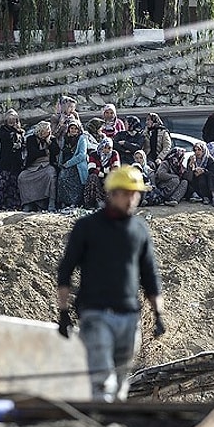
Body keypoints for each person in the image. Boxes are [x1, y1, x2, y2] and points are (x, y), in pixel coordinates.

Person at [56, 165, 166, 402]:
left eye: (134, 194)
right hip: (95, 313)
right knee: (101, 379)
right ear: (111, 193)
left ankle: (113, 425)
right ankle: (99, 426)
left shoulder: (139, 230)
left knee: (120, 381)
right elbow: (65, 270)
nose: (131, 199)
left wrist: (158, 314)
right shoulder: (87, 227)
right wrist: (63, 311)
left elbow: (150, 276)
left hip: (129, 316)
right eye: (125, 193)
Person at [18, 121, 59, 212]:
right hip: (33, 166)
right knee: (22, 177)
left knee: (51, 175)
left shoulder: (52, 139)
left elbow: (56, 151)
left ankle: (51, 203)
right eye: (46, 131)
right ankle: (28, 203)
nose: (48, 132)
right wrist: (45, 152)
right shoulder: (31, 139)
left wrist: (49, 143)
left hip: (47, 165)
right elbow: (33, 153)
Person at [0, 109, 25, 211]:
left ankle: (12, 205)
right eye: (9, 119)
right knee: (2, 183)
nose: (11, 121)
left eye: (14, 119)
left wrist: (19, 133)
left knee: (14, 185)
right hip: (6, 160)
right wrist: (15, 131)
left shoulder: (21, 131)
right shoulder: (3, 130)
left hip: (16, 162)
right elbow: (6, 139)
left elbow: (22, 144)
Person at [57, 121, 88, 208]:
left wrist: (69, 163)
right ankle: (63, 202)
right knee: (62, 178)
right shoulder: (65, 138)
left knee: (73, 181)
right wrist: (62, 163)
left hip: (77, 165)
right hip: (65, 164)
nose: (73, 130)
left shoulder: (82, 138)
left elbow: (82, 155)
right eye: (72, 128)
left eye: (75, 128)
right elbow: (62, 152)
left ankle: (74, 202)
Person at [84, 137, 121, 209]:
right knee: (92, 177)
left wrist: (100, 170)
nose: (107, 150)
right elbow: (91, 169)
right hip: (98, 178)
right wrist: (105, 172)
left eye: (109, 148)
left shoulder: (114, 154)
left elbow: (116, 168)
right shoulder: (94, 154)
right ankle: (91, 203)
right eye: (105, 147)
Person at [187, 142, 214, 207]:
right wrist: (191, 166)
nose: (197, 152)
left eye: (199, 150)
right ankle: (203, 197)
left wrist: (204, 171)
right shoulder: (192, 159)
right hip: (197, 181)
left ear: (203, 150)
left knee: (207, 176)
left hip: (209, 181)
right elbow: (188, 175)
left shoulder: (209, 159)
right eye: (195, 150)